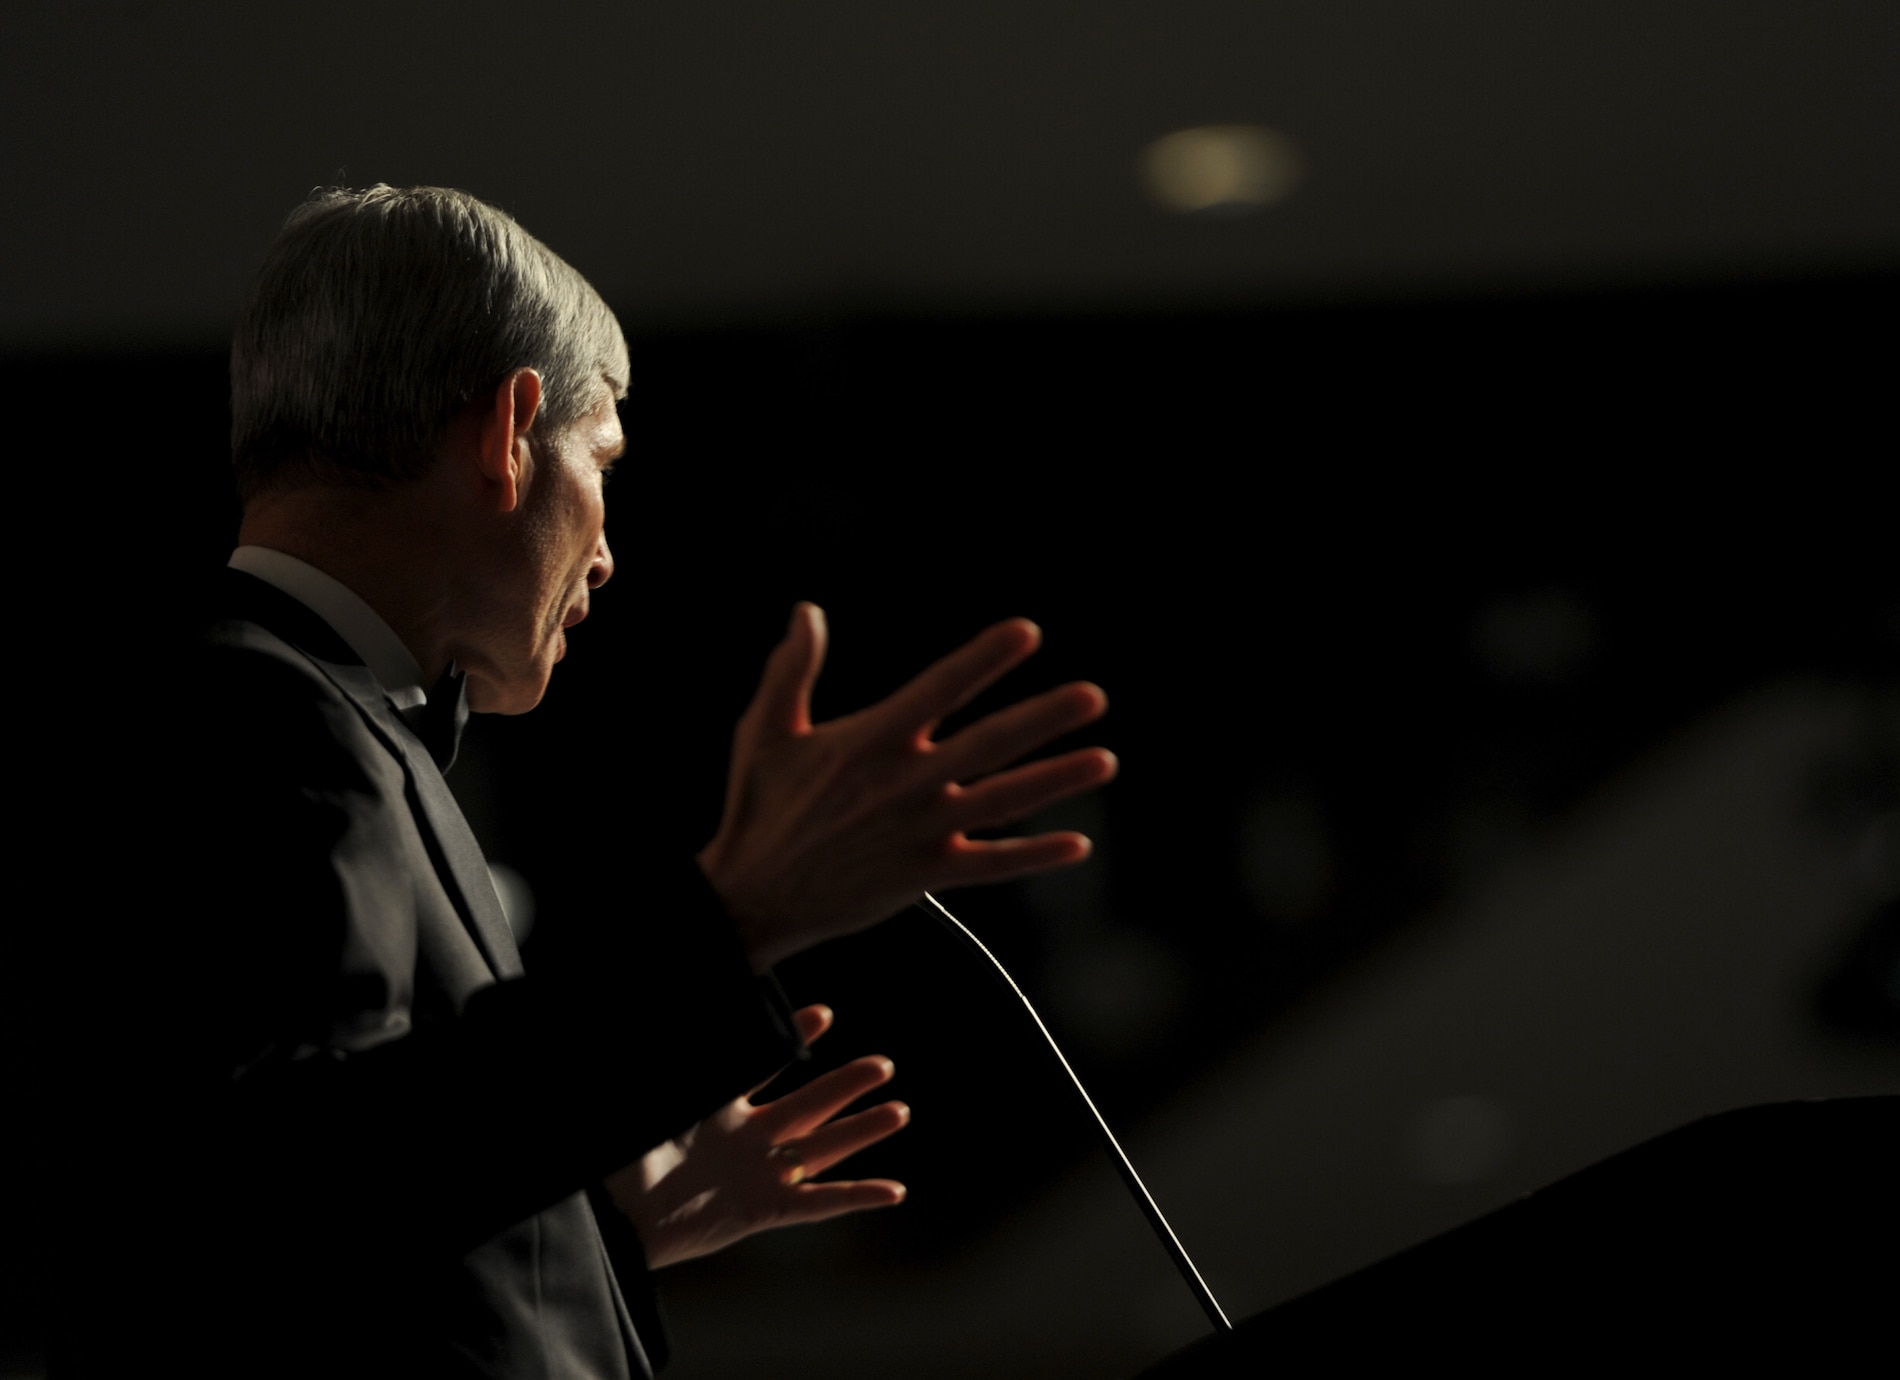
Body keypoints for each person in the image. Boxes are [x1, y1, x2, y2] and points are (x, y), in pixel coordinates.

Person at [54, 185, 1115, 1378]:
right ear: (509, 434)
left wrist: (587, 1235)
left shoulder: (287, 710)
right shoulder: (261, 715)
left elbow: (305, 1214)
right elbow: (268, 1194)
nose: (607, 551)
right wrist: (737, 917)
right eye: (601, 460)